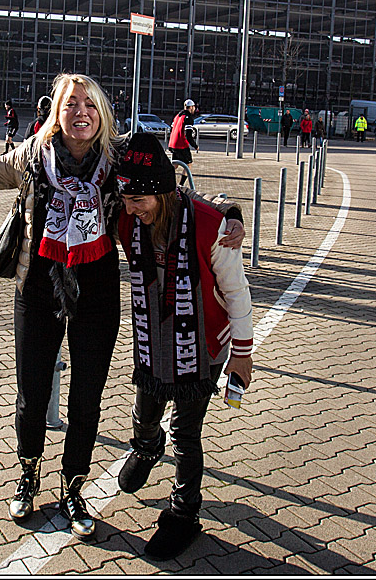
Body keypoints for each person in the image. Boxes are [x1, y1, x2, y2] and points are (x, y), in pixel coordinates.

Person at [0, 73, 245, 541]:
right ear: (57, 114)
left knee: (86, 398)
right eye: (71, 104)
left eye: (90, 104)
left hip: (97, 289)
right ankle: (28, 473)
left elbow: (175, 189)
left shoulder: (118, 155)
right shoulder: (34, 155)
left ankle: (73, 487)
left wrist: (230, 211)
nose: (81, 112)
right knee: (32, 392)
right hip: (37, 285)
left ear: (102, 113)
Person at [115, 132, 254, 561]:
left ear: (162, 191)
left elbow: (237, 292)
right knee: (144, 413)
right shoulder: (124, 218)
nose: (131, 208)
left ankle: (184, 512)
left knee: (186, 433)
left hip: (204, 345)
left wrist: (244, 355)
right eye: (126, 198)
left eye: (140, 199)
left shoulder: (210, 227)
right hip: (154, 342)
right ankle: (145, 446)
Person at [168, 98, 199, 183]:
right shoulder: (188, 118)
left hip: (172, 143)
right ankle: (181, 185)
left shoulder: (177, 116)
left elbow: (171, 129)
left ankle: (168, 181)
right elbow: (188, 134)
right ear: (191, 107)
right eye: (193, 107)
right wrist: (195, 145)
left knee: (175, 165)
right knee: (188, 165)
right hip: (181, 144)